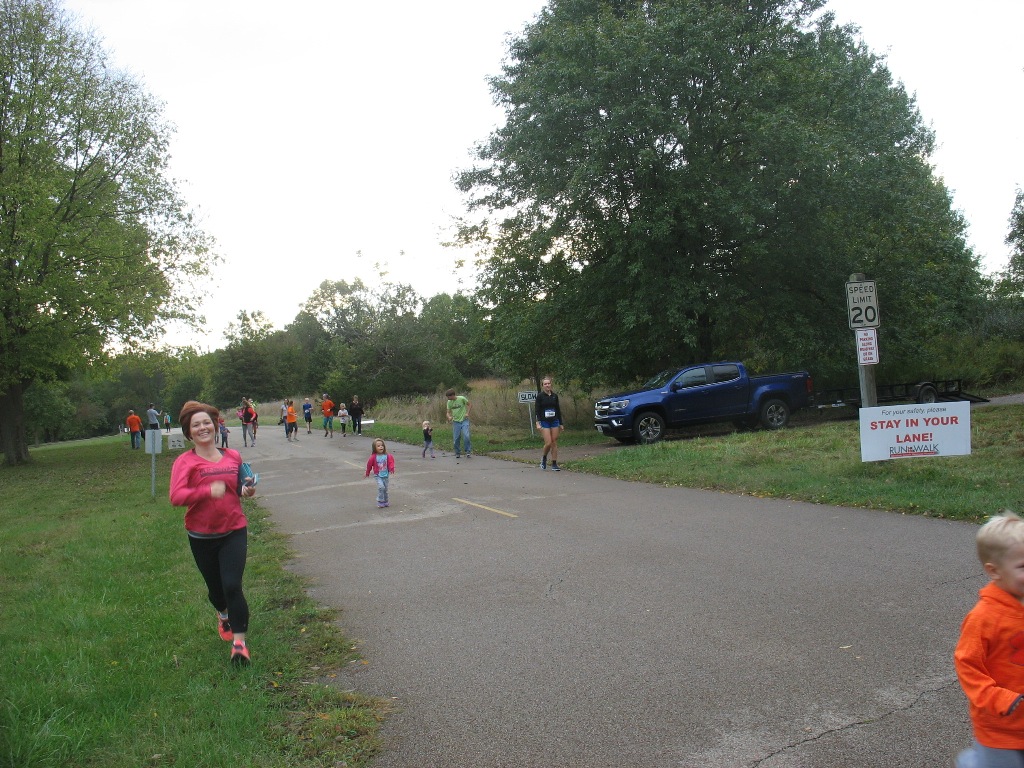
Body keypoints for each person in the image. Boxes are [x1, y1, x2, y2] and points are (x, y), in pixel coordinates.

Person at [169, 400, 257, 666]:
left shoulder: (232, 456)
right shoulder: (185, 462)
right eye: (196, 425)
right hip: (201, 535)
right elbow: (176, 496)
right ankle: (223, 614)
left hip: (233, 529)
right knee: (216, 591)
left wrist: (247, 489)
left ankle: (239, 645)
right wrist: (206, 491)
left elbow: (240, 485)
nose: (203, 427)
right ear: (189, 432)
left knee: (232, 586)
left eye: (207, 422)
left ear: (216, 426)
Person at [954, 511, 1024, 766]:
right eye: (1023, 567)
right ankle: (972, 762)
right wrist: (997, 698)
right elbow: (967, 665)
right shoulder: (984, 618)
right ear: (994, 571)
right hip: (1001, 724)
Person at [534, 376, 564, 471]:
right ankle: (544, 457)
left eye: (549, 383)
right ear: (543, 386)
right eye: (545, 384)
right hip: (544, 421)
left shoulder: (555, 396)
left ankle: (554, 463)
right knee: (548, 442)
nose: (547, 385)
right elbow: (537, 410)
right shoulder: (540, 396)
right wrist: (538, 422)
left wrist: (561, 423)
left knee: (554, 442)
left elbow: (558, 409)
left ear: (551, 384)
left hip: (554, 421)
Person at [364, 437, 395, 508]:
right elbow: (369, 465)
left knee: (385, 489)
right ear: (374, 448)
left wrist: (391, 468)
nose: (381, 447)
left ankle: (386, 501)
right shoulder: (373, 457)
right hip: (378, 475)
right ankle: (380, 501)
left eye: (382, 445)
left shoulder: (387, 456)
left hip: (386, 475)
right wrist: (367, 472)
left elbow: (391, 462)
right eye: (378, 446)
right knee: (381, 487)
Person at [445, 388, 471, 458]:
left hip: (464, 420)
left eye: (449, 397)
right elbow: (447, 412)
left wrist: (467, 413)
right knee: (456, 438)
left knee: (466, 436)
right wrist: (449, 417)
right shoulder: (449, 402)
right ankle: (457, 452)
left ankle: (468, 451)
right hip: (456, 422)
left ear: (453, 395)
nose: (448, 398)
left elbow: (469, 404)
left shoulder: (461, 398)